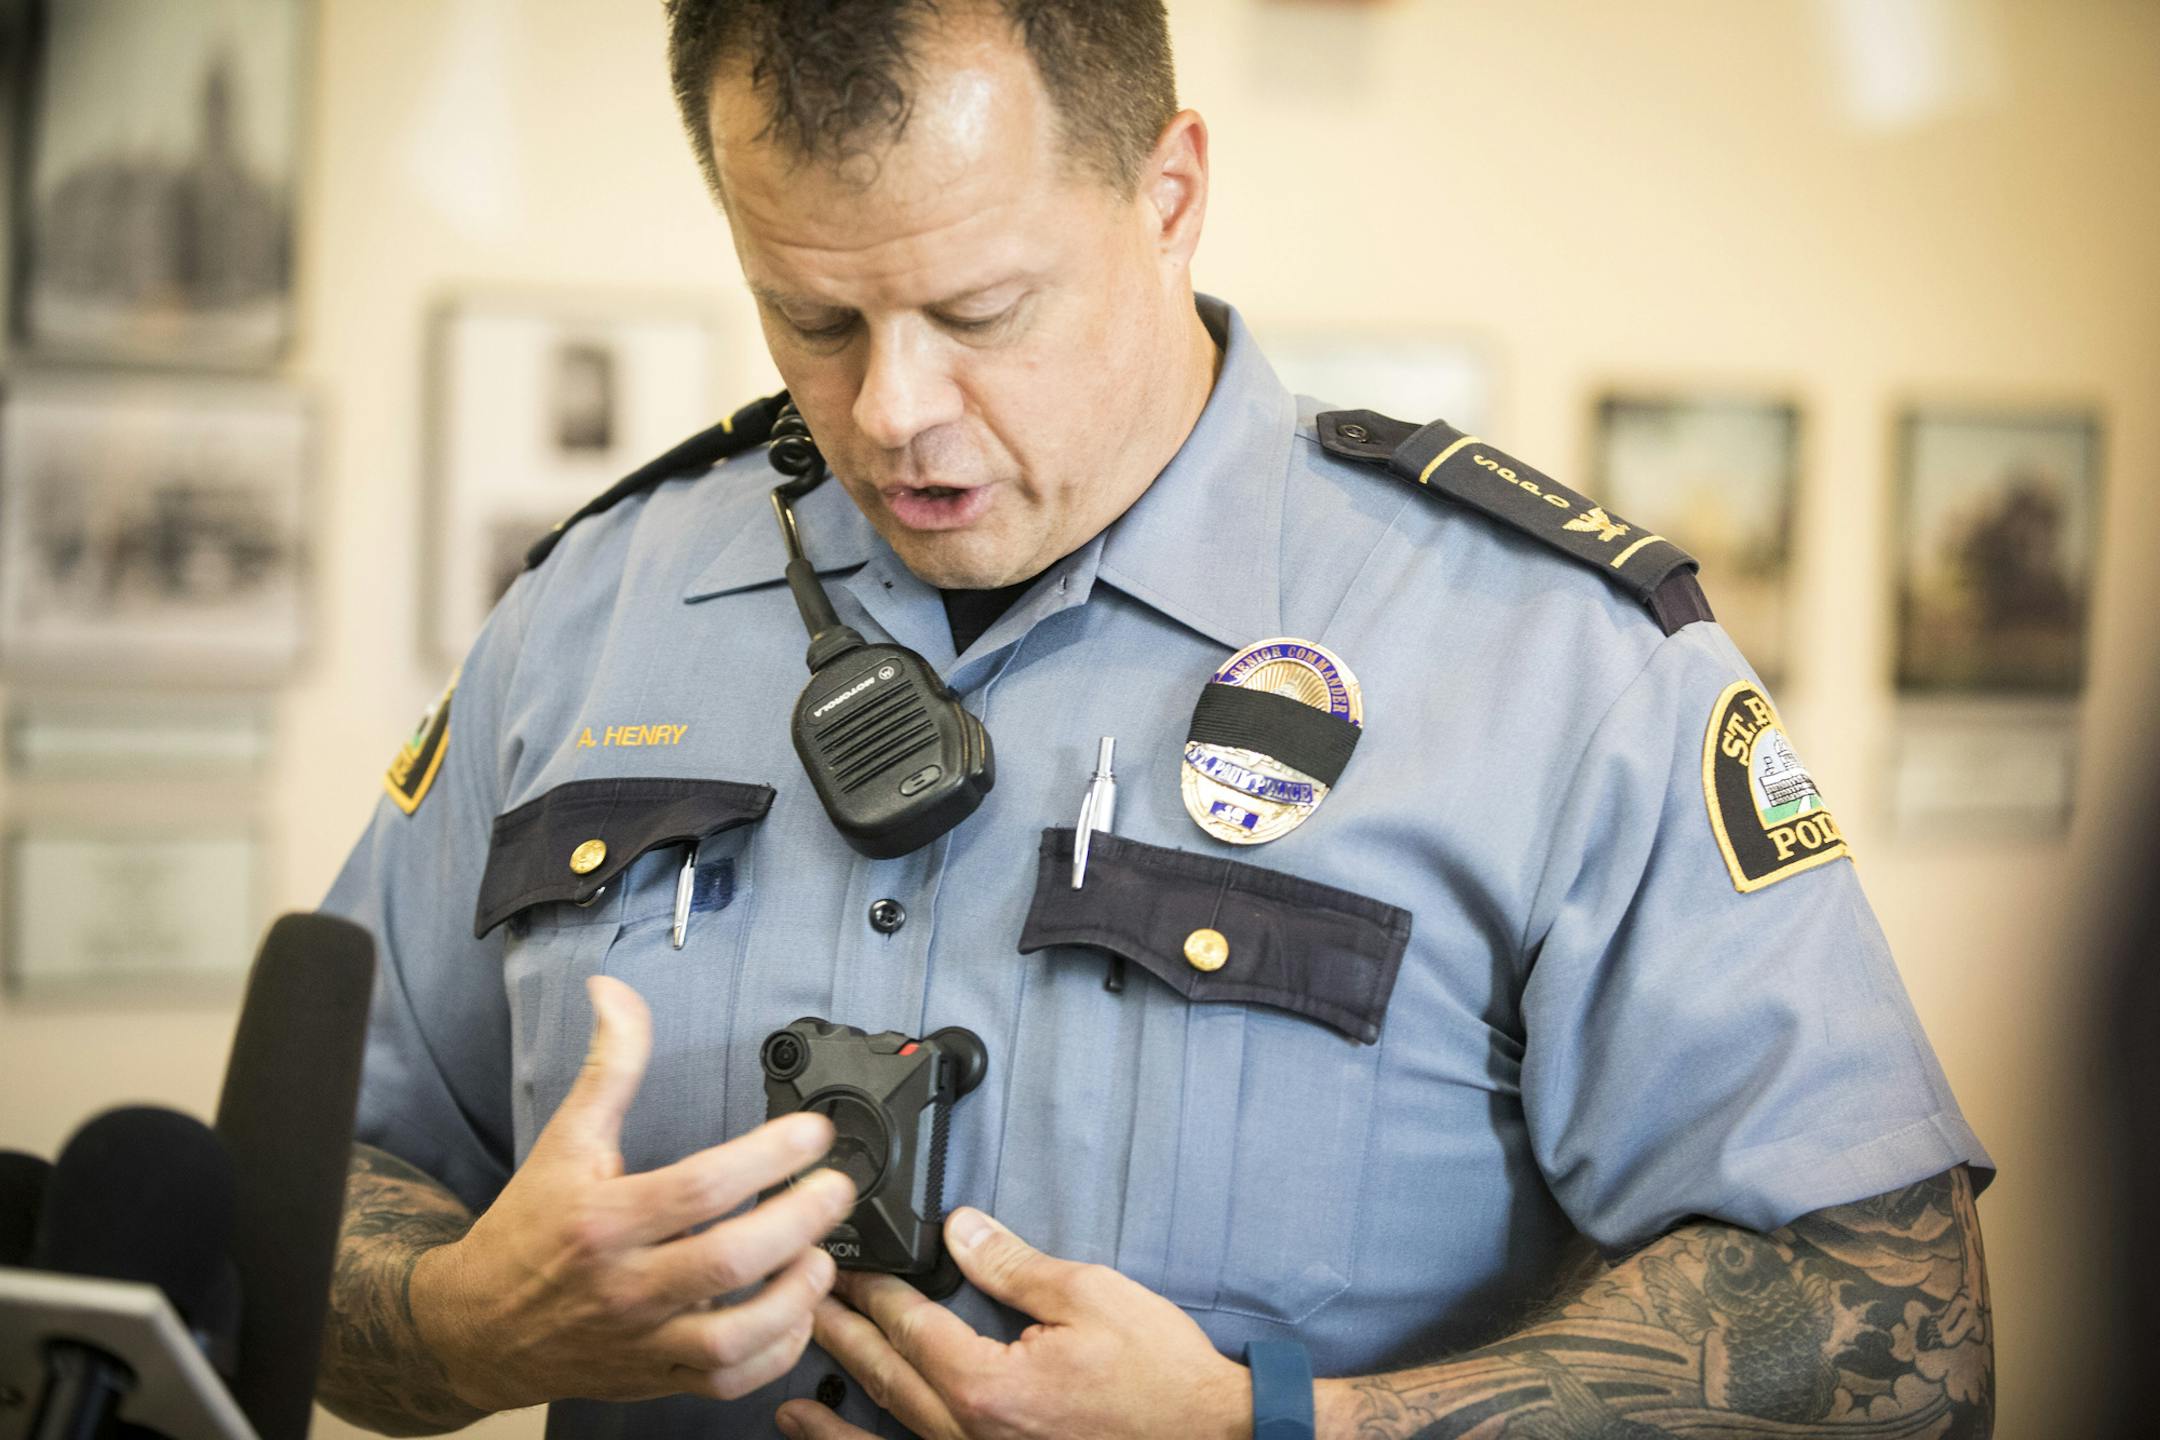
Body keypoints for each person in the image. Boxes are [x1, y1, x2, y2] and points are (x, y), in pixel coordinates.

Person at [315, 3, 1997, 1438]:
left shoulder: (1550, 659)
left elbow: (1897, 1331)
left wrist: (1287, 1425)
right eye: (814, 319)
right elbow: (300, 1205)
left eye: (983, 313)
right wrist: (473, 1321)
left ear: (1171, 194)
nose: (894, 413)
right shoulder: (588, 618)